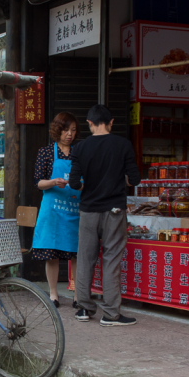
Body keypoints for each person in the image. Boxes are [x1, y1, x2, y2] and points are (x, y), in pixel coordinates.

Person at [69, 105, 141, 327]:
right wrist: (118, 181)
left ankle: (83, 308)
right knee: (111, 260)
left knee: (85, 259)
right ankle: (111, 314)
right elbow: (135, 179)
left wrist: (87, 186)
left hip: (88, 211)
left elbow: (74, 183)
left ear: (89, 123)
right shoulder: (123, 145)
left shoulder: (80, 148)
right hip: (114, 211)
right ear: (111, 123)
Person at [32, 112, 80, 309]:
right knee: (51, 254)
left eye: (73, 130)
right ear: (57, 130)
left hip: (75, 210)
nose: (70, 134)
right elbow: (38, 182)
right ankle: (53, 294)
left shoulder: (79, 153)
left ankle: (78, 295)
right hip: (53, 211)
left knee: (77, 253)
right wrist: (53, 181)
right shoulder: (46, 152)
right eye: (66, 130)